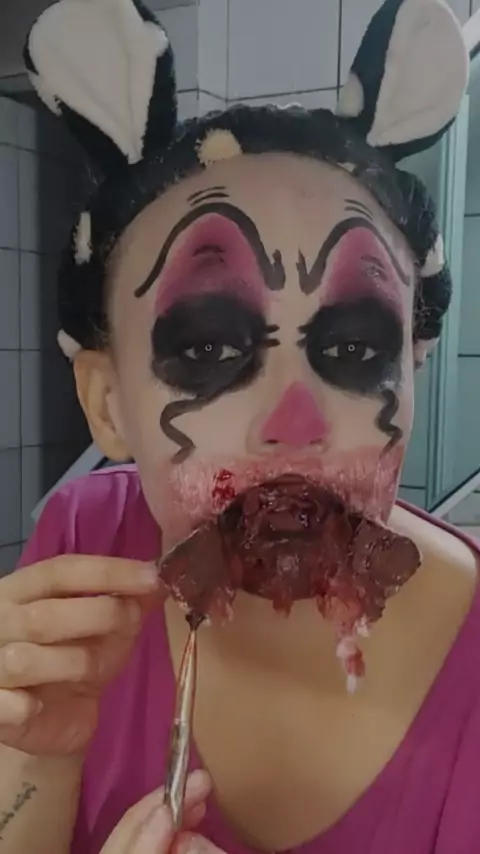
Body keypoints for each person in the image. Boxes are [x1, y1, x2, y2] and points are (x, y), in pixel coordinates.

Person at [0, 0, 478, 851]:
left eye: (355, 348)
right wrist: (38, 756)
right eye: (209, 347)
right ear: (108, 404)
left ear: (413, 370)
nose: (293, 424)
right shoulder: (82, 547)